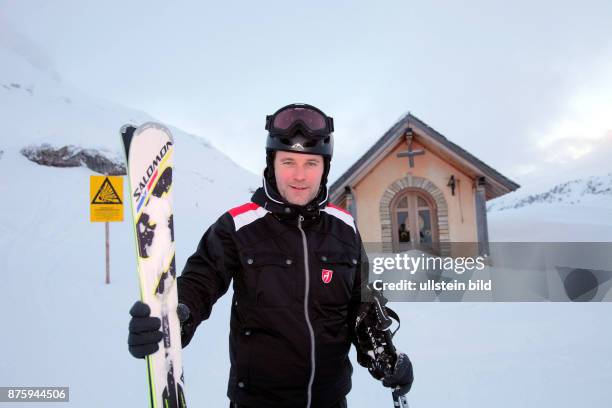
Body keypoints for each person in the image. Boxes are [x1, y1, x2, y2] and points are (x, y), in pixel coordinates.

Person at [128, 103, 413, 408]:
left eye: (311, 163)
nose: (300, 175)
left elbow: (362, 306)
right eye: (289, 161)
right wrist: (174, 317)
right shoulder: (238, 227)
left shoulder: (344, 228)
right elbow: (200, 281)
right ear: (271, 163)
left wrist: (386, 358)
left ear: (325, 167)